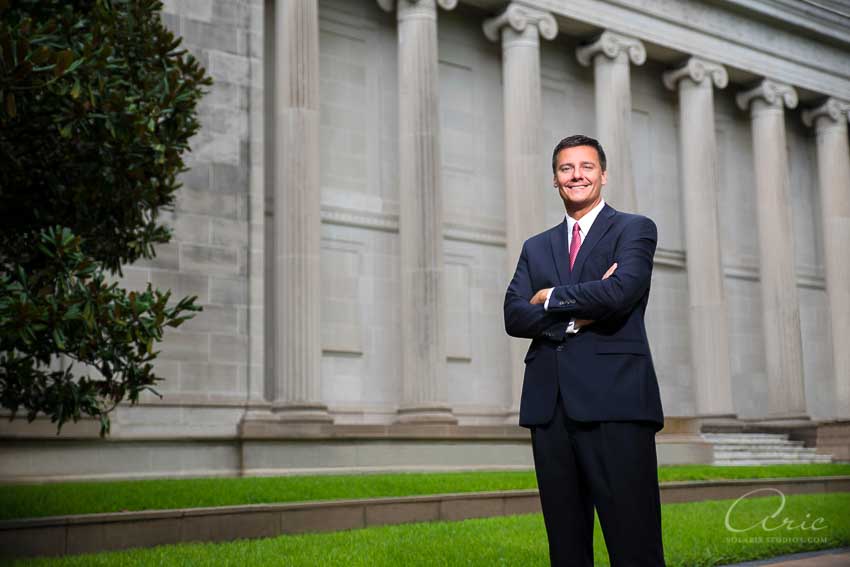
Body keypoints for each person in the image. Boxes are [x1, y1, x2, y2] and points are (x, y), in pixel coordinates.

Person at [503, 134, 666, 566]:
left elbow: (621, 292)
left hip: (616, 404)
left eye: (586, 167)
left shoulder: (634, 229)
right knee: (566, 548)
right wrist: (579, 315)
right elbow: (514, 316)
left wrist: (549, 297)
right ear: (555, 179)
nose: (576, 176)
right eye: (566, 169)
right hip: (550, 408)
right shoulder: (535, 246)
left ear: (603, 175)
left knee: (634, 543)